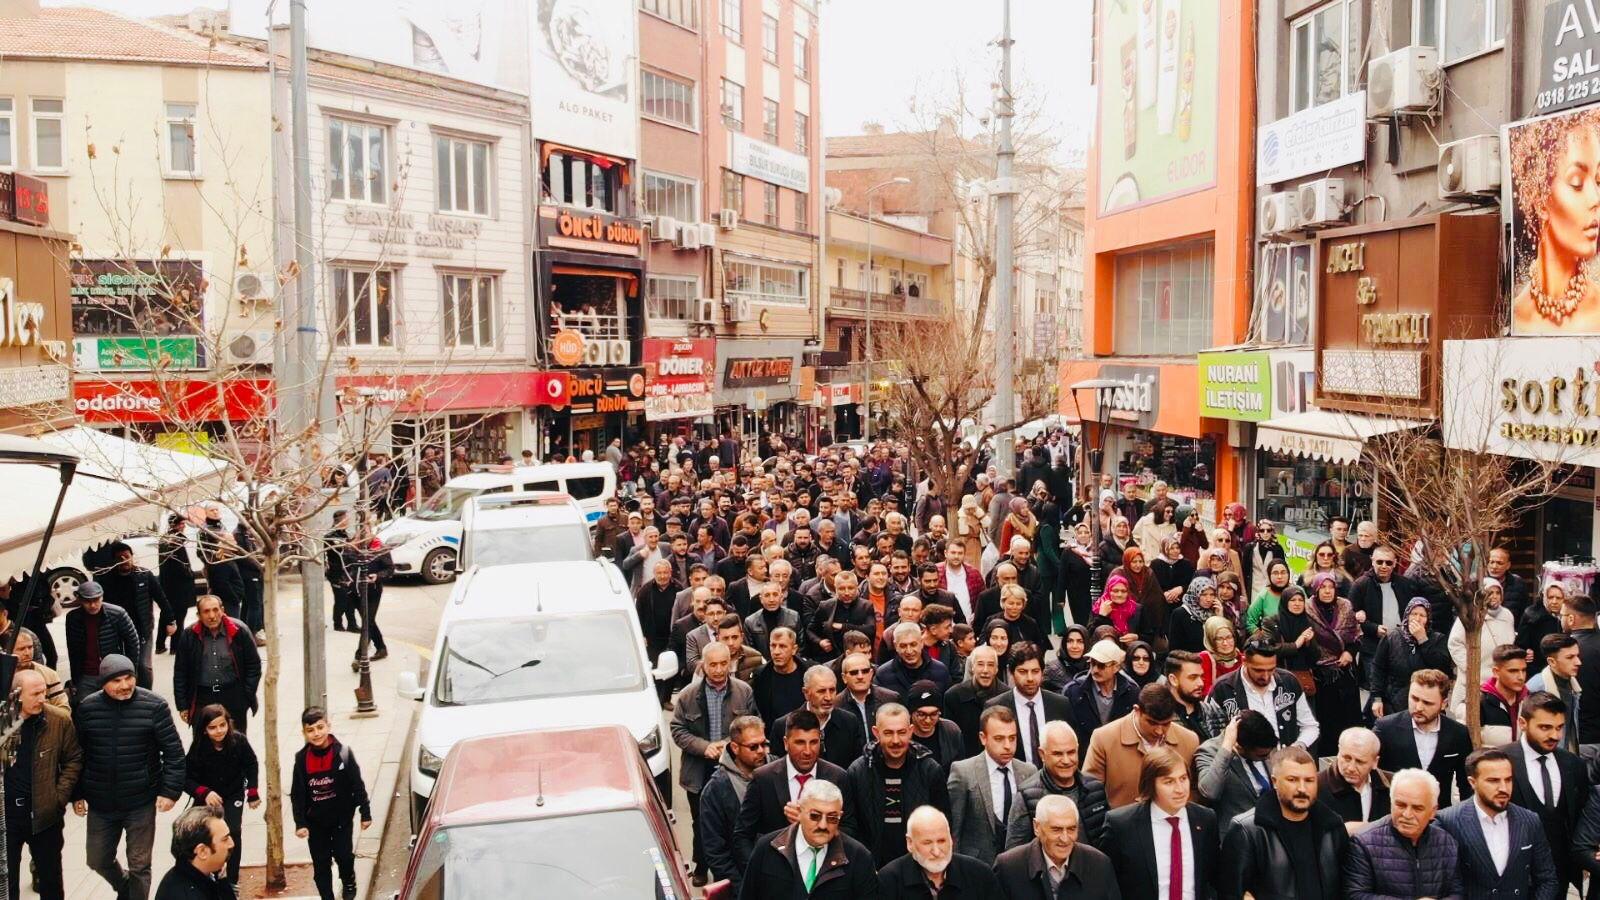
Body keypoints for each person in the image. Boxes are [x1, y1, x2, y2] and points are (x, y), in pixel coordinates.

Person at [73, 652, 184, 900]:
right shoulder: (87, 708)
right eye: (117, 681)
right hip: (101, 803)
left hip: (140, 802)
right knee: (97, 859)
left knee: (139, 865)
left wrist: (170, 791)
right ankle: (126, 889)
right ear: (103, 684)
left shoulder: (155, 706)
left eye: (129, 678)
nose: (125, 685)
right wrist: (77, 793)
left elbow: (174, 752)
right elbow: (77, 754)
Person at [671, 640, 758, 886]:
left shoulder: (743, 691)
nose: (719, 670)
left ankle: (730, 869)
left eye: (723, 664)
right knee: (701, 822)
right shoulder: (688, 695)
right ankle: (701, 864)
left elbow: (753, 723)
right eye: (713, 665)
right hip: (699, 771)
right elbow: (677, 729)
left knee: (733, 819)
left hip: (734, 768)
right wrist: (704, 746)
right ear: (703, 666)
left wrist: (729, 744)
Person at [1509, 107, 1600, 333]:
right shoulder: (1514, 315)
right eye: (1577, 182)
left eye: (1599, 180)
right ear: (1539, 199)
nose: (1595, 199)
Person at [1220, 745, 1351, 900]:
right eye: (1292, 780)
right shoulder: (1247, 830)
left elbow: (1347, 887)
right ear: (1275, 782)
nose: (1302, 788)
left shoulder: (1332, 826)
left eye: (1309, 780)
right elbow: (1230, 892)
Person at [733, 710, 849, 873]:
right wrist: (760, 871)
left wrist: (815, 822)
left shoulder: (838, 777)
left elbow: (850, 830)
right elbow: (742, 835)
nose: (808, 751)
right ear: (786, 743)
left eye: (814, 742)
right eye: (800, 743)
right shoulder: (763, 779)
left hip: (824, 874)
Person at [1436, 748, 1559, 900]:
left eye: (1508, 779)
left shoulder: (1529, 821)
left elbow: (1547, 879)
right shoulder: (1448, 821)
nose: (1504, 788)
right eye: (1493, 781)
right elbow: (1442, 883)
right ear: (1472, 782)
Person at [840, 703, 951, 866]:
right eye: (888, 733)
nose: (896, 740)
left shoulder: (930, 770)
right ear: (876, 733)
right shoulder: (858, 772)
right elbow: (850, 827)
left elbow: (943, 822)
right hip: (872, 867)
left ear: (911, 731)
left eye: (901, 732)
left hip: (919, 865)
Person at [1101, 748, 1219, 900]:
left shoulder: (1205, 819)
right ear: (1150, 784)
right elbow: (1107, 882)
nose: (1180, 789)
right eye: (1169, 782)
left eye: (1183, 778)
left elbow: (1215, 875)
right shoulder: (1121, 825)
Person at [1501, 691, 1588, 895]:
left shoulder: (1573, 765)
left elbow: (1582, 813)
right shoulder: (1500, 760)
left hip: (1560, 874)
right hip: (1512, 875)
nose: (1555, 736)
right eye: (1545, 727)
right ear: (1523, 723)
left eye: (1559, 728)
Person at [3, 669, 80, 900]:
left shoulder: (59, 720)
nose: (41, 699)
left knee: (51, 882)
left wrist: (59, 797)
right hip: (7, 818)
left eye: (44, 693)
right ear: (16, 695)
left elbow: (74, 759)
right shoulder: (4, 721)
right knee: (6, 884)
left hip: (45, 816)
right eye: (35, 694)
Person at [739, 779, 880, 899]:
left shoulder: (858, 857)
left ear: (840, 816)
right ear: (799, 812)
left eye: (832, 818)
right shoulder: (767, 848)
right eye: (815, 816)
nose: (823, 825)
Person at [1343, 768, 1463, 899]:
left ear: (1433, 812)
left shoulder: (1446, 842)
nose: (1407, 815)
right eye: (1400, 805)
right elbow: (1355, 895)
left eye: (1417, 808)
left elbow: (1458, 893)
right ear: (1391, 803)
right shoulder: (1364, 843)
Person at [290, 707, 371, 900]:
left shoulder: (343, 753)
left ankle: (348, 879)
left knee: (344, 856)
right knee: (321, 863)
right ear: (304, 733)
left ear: (328, 726)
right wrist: (300, 822)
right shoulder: (301, 760)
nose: (316, 733)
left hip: (341, 819)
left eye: (320, 727)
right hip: (316, 822)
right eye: (311, 730)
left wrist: (365, 812)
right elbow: (297, 793)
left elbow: (357, 783)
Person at [1084, 683, 1200, 809]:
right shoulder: (1104, 738)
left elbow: (1195, 791)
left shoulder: (1189, 740)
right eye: (1152, 723)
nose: (1159, 731)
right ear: (1137, 710)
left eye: (1166, 724)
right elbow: (1090, 793)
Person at [946, 706, 1036, 864]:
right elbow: (954, 829)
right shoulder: (963, 772)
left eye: (1012, 738)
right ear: (983, 738)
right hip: (975, 867)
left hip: (1018, 866)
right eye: (999, 738)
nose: (1008, 745)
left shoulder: (1028, 771)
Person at [1004, 720, 1109, 852]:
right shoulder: (1027, 796)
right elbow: (1014, 853)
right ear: (1042, 754)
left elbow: (1106, 845)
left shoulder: (1095, 789)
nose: (1066, 760)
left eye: (1071, 752)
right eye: (1058, 754)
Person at [183, 704, 259, 885]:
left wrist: (253, 791)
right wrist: (204, 792)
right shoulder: (198, 749)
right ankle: (206, 875)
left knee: (232, 831)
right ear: (204, 730)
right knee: (202, 835)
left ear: (228, 724)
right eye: (212, 727)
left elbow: (251, 764)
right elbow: (185, 778)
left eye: (222, 725)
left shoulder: (239, 741)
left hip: (233, 794)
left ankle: (231, 881)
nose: (218, 731)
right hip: (207, 799)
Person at [994, 794, 1120, 900]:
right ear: (1037, 827)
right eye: (1056, 829)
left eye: (1071, 829)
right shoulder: (1008, 867)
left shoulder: (1099, 864)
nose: (1065, 839)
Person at [1373, 668, 1471, 804]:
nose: (1418, 707)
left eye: (1427, 703)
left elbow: (1466, 784)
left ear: (1444, 704)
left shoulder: (1458, 733)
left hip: (1438, 816)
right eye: (1414, 698)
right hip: (1395, 813)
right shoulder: (1386, 728)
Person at [699, 715, 770, 895]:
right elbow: (715, 852)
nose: (761, 751)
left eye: (764, 744)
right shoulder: (716, 789)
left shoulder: (779, 771)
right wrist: (741, 890)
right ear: (735, 748)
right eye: (753, 746)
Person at [172, 595, 261, 739]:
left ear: (223, 610)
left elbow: (254, 665)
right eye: (206, 611)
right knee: (203, 742)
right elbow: (181, 672)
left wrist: (246, 694)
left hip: (233, 695)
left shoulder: (239, 630)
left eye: (215, 610)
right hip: (203, 697)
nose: (212, 616)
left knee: (236, 741)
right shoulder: (189, 635)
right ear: (199, 615)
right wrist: (182, 705)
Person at [1207, 638, 1320, 750]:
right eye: (1258, 670)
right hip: (1242, 765)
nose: (1266, 676)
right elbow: (1209, 734)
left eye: (1271, 669)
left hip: (1284, 762)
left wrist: (1298, 746)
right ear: (1244, 661)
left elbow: (1310, 726)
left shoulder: (1289, 682)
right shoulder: (1222, 689)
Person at [877, 806, 1002, 898]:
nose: (936, 851)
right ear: (910, 843)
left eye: (942, 841)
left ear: (951, 840)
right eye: (927, 843)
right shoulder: (889, 881)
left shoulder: (979, 875)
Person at [1193, 710, 1279, 839]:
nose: (1268, 758)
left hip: (1270, 834)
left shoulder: (1265, 744)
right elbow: (1209, 791)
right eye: (1261, 756)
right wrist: (1227, 747)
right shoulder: (1209, 750)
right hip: (1236, 838)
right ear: (1240, 746)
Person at [985, 643, 1073, 768]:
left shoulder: (1061, 705)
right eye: (1023, 672)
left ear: (1042, 672)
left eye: (1035, 671)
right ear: (1011, 672)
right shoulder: (996, 707)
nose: (1030, 678)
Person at [765, 666, 866, 771]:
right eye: (821, 691)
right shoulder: (783, 725)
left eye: (832, 690)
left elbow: (856, 768)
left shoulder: (849, 722)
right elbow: (778, 772)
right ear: (806, 693)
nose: (828, 697)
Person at [1370, 597, 1453, 718]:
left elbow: (1442, 667)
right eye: (1414, 614)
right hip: (1394, 703)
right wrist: (1377, 698)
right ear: (1407, 615)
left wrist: (1423, 640)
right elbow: (1378, 669)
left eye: (1422, 615)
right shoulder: (1392, 637)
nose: (1417, 619)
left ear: (1428, 618)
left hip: (1426, 702)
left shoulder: (1438, 639)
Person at [63, 581, 141, 704]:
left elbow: (133, 643)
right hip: (87, 676)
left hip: (114, 673)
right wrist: (76, 679)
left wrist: (129, 672)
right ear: (80, 600)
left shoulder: (117, 614)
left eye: (96, 600)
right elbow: (73, 650)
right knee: (87, 711)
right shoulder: (73, 618)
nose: (93, 605)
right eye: (88, 601)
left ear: (102, 597)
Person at [1348, 546, 1417, 682]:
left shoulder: (1405, 584)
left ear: (1395, 563)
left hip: (1401, 645)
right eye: (1379, 562)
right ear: (1372, 561)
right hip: (1372, 647)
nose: (1384, 566)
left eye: (1388, 562)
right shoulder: (1361, 585)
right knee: (1376, 688)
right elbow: (1350, 618)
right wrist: (1373, 628)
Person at [1448, 578, 1518, 710]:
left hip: (1498, 680)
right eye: (1490, 593)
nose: (1494, 596)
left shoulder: (1507, 615)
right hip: (1473, 679)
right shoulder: (1470, 614)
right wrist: (1470, 667)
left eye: (1498, 593)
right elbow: (1454, 643)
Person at [1063, 639, 1140, 748]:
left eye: (1101, 665)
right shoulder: (1073, 692)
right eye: (1092, 664)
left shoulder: (1132, 693)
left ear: (1116, 667)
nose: (1095, 670)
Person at [1318, 726, 1390, 833]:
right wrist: (1342, 832)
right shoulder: (1316, 787)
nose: (1351, 768)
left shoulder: (1390, 786)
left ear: (1375, 762)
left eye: (1360, 762)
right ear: (1338, 752)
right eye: (1346, 758)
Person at [153, 808, 235, 900]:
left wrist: (222, 881)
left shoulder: (197, 873)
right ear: (202, 851)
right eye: (225, 839)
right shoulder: (186, 894)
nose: (231, 844)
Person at [943, 646, 1005, 758]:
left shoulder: (1006, 696)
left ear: (996, 669)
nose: (985, 670)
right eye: (980, 664)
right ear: (972, 667)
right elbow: (950, 741)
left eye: (990, 665)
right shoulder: (953, 696)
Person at [1527, 632, 1583, 753]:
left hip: (1566, 753)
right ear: (1552, 662)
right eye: (1570, 657)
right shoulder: (1536, 687)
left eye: (1577, 655)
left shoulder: (1572, 684)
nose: (1578, 662)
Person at [751, 627, 812, 723]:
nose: (776, 652)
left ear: (794, 649)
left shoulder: (810, 672)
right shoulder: (761, 675)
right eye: (773, 646)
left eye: (782, 646)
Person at [877, 622, 952, 697]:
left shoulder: (940, 671)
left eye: (913, 645)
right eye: (903, 646)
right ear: (896, 646)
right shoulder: (883, 674)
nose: (909, 651)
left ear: (921, 643)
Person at [1476, 643, 1530, 747]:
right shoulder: (1478, 703)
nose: (1521, 677)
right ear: (1496, 672)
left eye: (1523, 670)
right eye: (1513, 671)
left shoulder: (1530, 700)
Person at [155, 515, 194, 654]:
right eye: (182, 523)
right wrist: (190, 574)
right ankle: (175, 646)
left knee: (167, 614)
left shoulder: (164, 539)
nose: (184, 526)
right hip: (178, 586)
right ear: (176, 525)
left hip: (167, 584)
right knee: (179, 615)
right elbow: (182, 566)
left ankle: (160, 644)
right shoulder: (175, 541)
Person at [904, 681, 963, 772]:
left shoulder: (951, 731)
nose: (928, 720)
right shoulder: (901, 733)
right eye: (921, 714)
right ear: (911, 713)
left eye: (933, 714)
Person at [15, 628, 68, 708]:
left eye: (30, 647)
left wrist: (40, 705)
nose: (27, 653)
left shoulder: (49, 675)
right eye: (21, 649)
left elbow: (65, 714)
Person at [1167, 576, 1216, 655]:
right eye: (1204, 595)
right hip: (1189, 663)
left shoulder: (1214, 612)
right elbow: (1174, 649)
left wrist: (1220, 616)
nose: (1209, 599)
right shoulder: (1180, 614)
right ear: (1195, 594)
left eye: (1212, 594)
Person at [1198, 617, 1240, 696]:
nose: (1225, 643)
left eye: (1229, 637)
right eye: (1219, 639)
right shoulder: (1204, 659)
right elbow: (1205, 692)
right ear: (1210, 639)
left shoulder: (1241, 658)